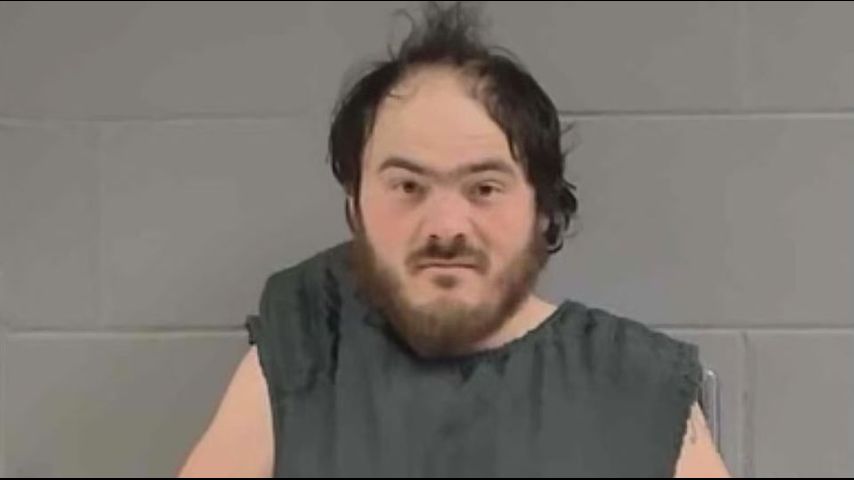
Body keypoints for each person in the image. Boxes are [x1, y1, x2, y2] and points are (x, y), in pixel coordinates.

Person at [179, 2, 731, 477]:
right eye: (408, 186)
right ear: (355, 206)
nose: (446, 226)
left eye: (484, 188)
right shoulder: (308, 351)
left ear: (543, 210)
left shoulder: (638, 385)